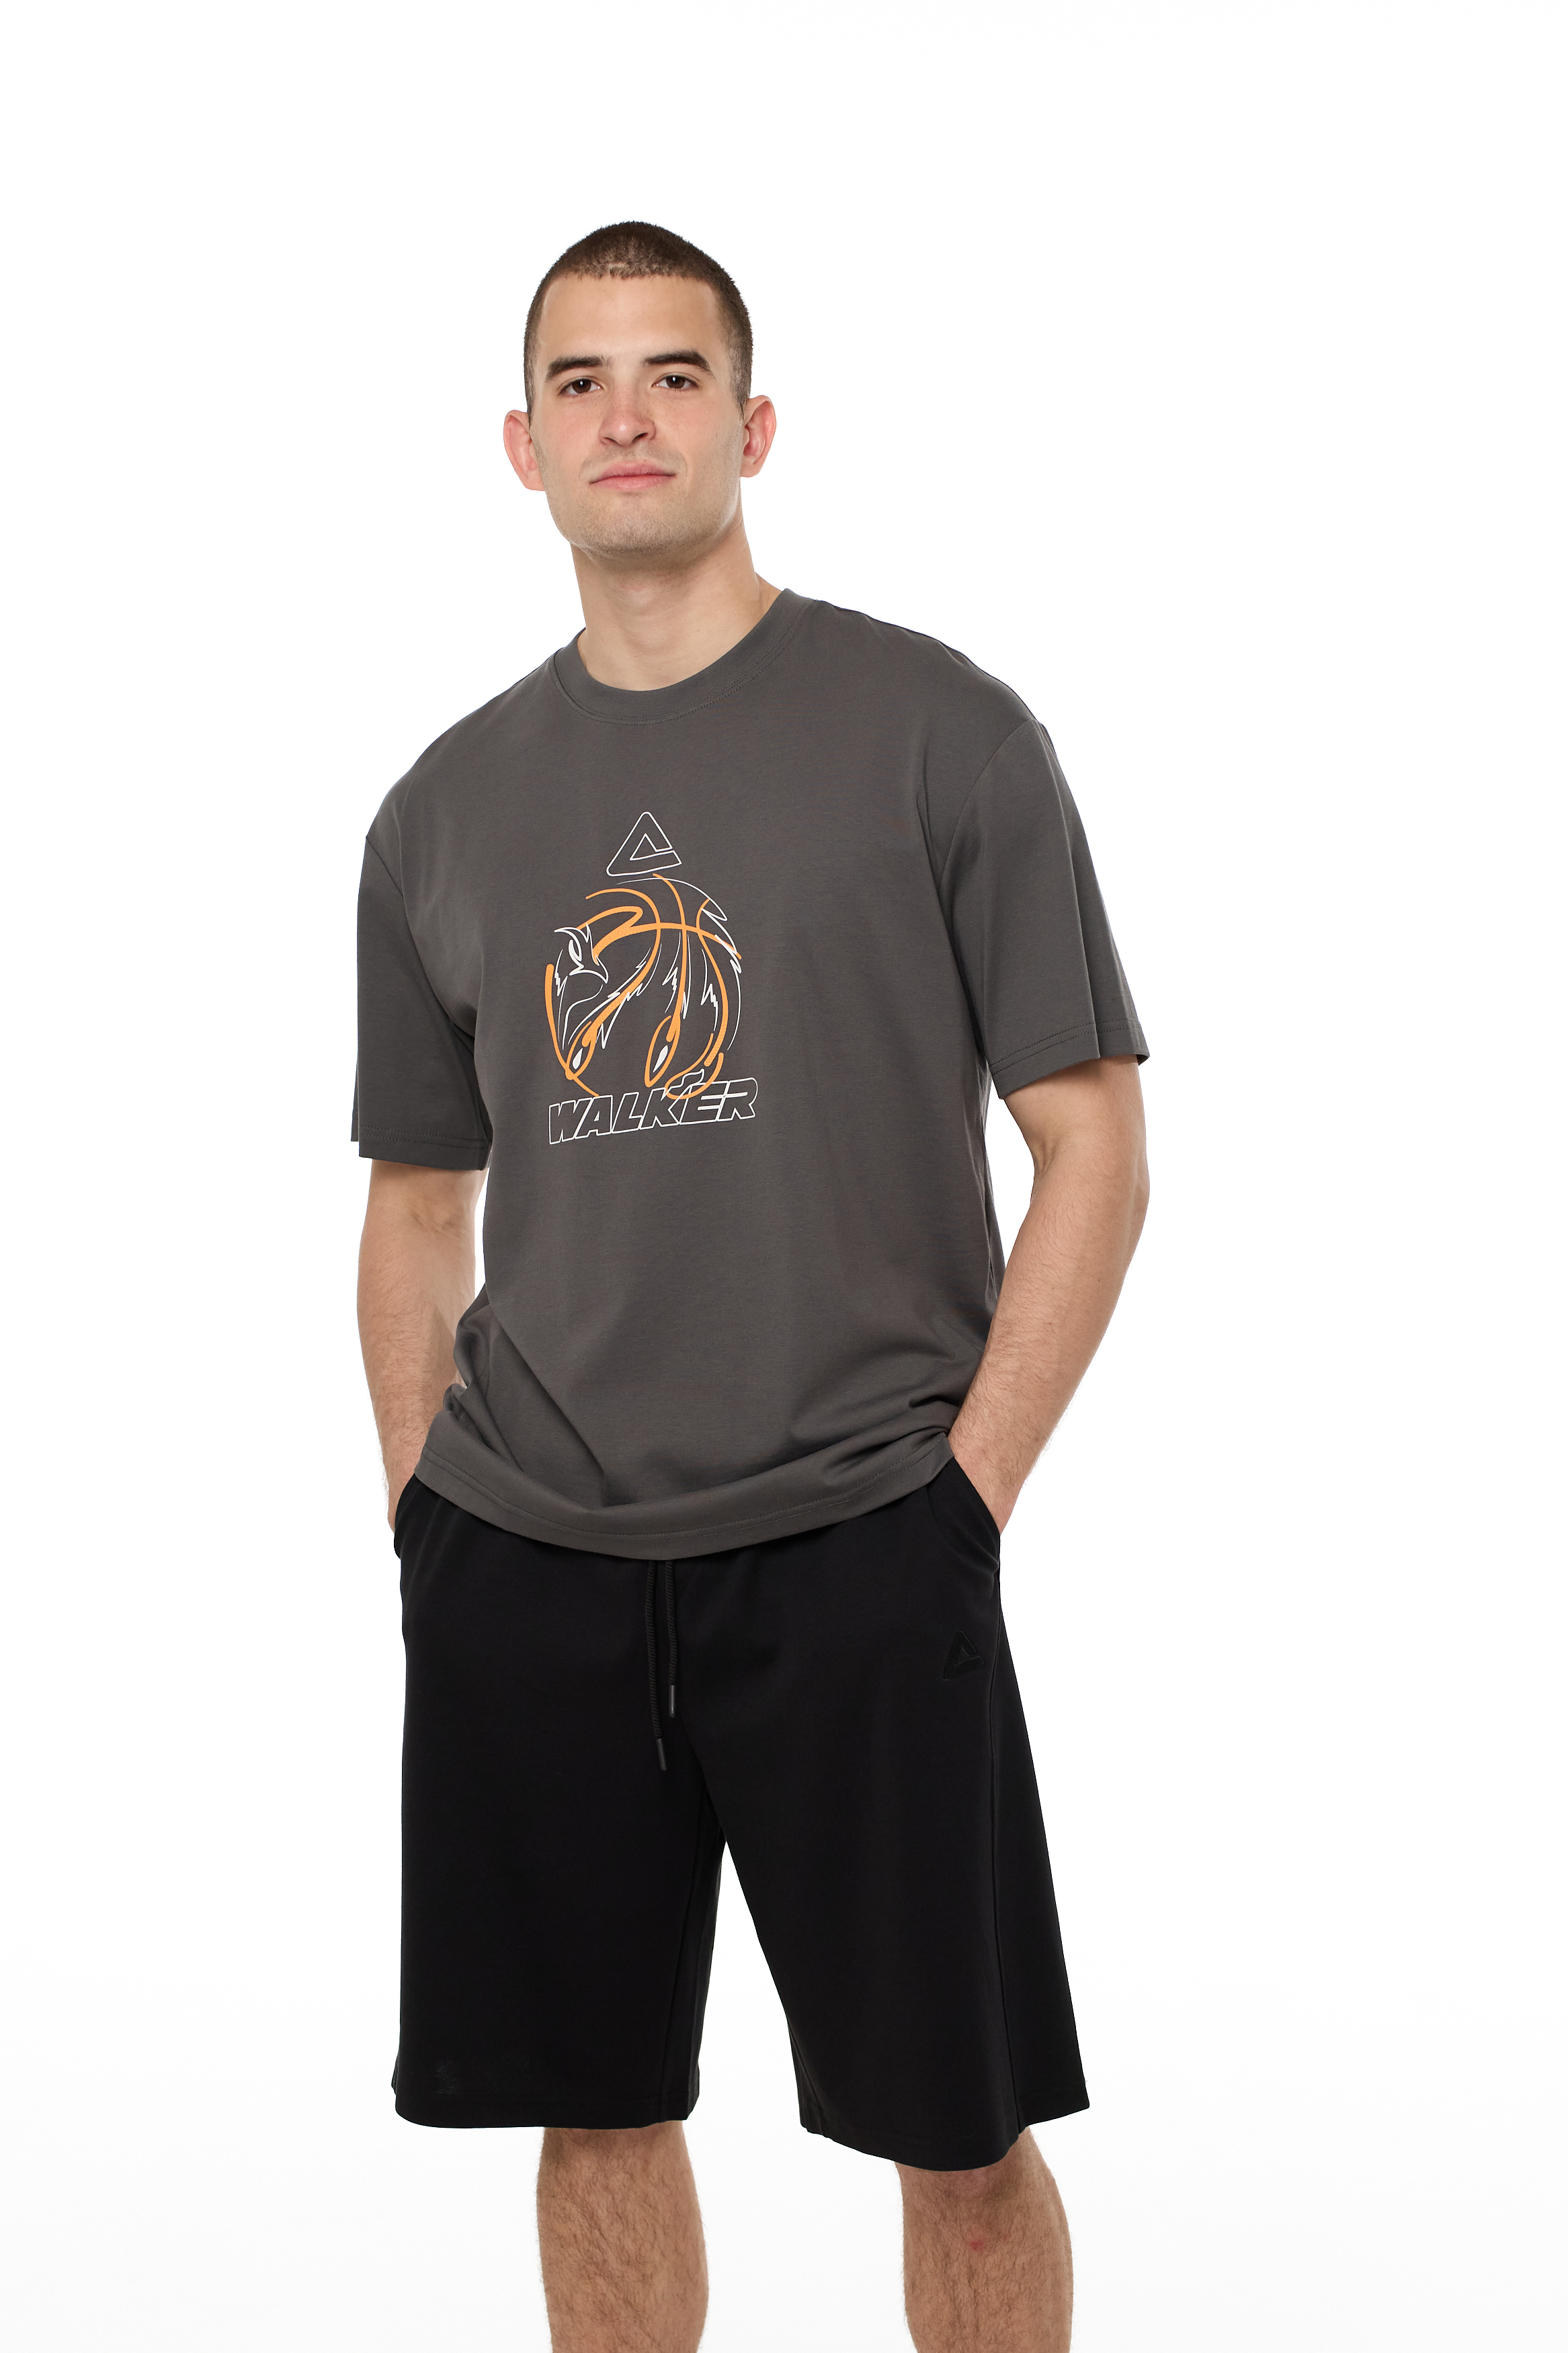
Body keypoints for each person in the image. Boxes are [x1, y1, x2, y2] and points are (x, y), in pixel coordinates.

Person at [354, 220, 1149, 2353]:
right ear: (521, 445)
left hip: (864, 1532)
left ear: (755, 425)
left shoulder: (942, 734)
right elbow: (416, 1208)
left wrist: (963, 1495)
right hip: (534, 1552)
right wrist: (432, 1516)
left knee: (958, 2125)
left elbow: (1093, 1142)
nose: (629, 415)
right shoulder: (439, 812)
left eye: (676, 374)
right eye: (584, 380)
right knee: (594, 2109)